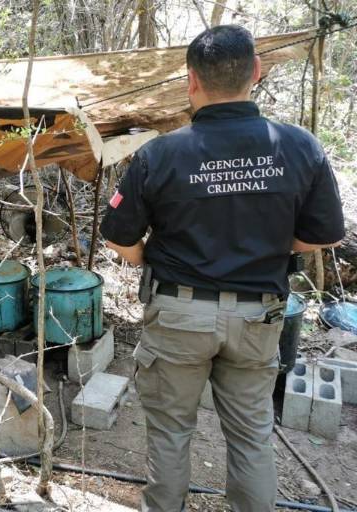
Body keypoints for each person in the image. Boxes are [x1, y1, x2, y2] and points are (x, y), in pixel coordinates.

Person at [100, 25, 345, 512]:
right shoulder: (299, 147)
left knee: (171, 433)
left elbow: (117, 235)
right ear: (255, 72)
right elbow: (326, 235)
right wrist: (274, 244)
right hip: (258, 318)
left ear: (191, 80)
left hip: (178, 314)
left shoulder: (160, 153)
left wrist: (149, 260)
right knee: (252, 436)